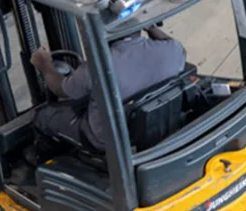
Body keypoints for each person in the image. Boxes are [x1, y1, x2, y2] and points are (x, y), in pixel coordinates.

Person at [30, 24, 187, 152]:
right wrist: (152, 27)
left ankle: (47, 164)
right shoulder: (171, 50)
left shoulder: (97, 66)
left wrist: (45, 66)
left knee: (43, 117)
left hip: (105, 139)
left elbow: (60, 90)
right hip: (154, 123)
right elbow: (176, 47)